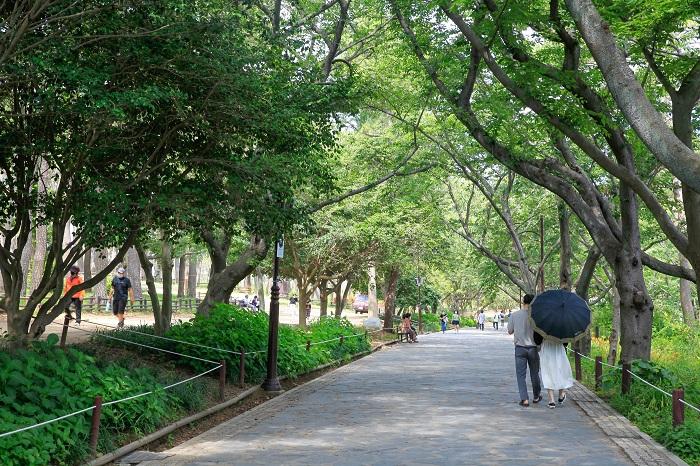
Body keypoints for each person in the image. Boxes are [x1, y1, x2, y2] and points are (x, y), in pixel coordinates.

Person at [507, 294, 542, 407]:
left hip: (520, 348)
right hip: (533, 348)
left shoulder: (515, 315)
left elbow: (510, 331)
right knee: (534, 373)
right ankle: (536, 396)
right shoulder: (537, 316)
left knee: (520, 375)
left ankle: (524, 399)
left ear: (523, 302)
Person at [540, 338, 574, 408]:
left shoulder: (543, 326)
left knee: (547, 372)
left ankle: (551, 401)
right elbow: (565, 342)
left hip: (547, 348)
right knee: (561, 371)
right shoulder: (563, 326)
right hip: (559, 348)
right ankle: (561, 395)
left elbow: (537, 340)